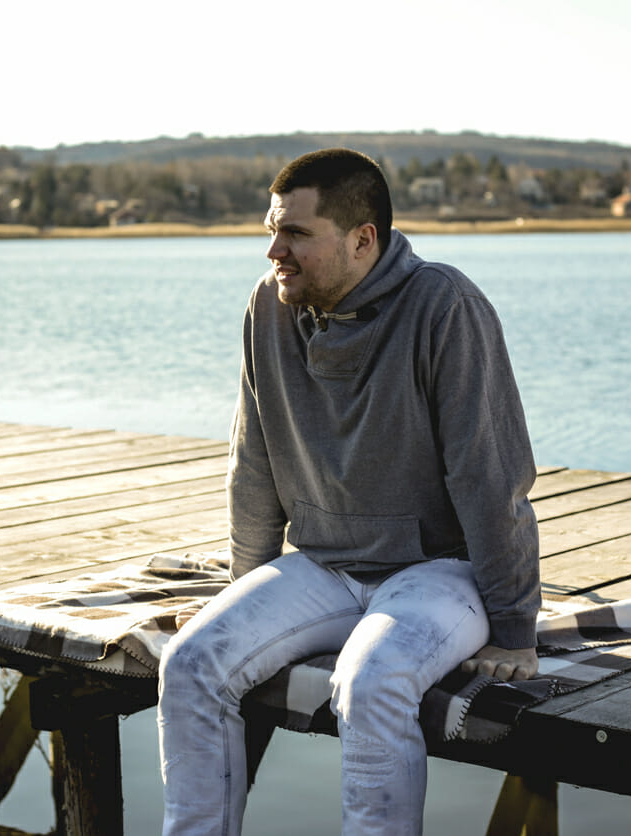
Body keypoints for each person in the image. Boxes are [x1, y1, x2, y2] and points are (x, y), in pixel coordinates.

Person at [157, 148, 540, 835]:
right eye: (274, 231)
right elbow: (255, 460)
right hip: (322, 566)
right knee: (191, 663)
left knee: (371, 681)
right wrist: (246, 590)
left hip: (438, 573)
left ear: (364, 240)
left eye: (297, 234)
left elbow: (491, 477)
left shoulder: (443, 307)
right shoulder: (268, 309)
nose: (275, 250)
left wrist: (513, 627)